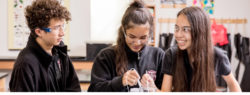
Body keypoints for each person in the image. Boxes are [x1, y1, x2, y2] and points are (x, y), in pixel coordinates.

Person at [144, 6, 241, 92]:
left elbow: (233, 84)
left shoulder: (217, 55)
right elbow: (165, 92)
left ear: (200, 31)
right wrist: (152, 87)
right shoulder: (171, 55)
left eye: (185, 29)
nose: (178, 34)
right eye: (176, 28)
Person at [88, 1, 164, 92]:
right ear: (124, 31)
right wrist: (120, 82)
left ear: (150, 34)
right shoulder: (105, 56)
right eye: (132, 36)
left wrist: (154, 89)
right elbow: (94, 90)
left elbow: (166, 91)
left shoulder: (158, 56)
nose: (137, 43)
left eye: (143, 37)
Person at [9, 0, 81, 92]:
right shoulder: (25, 64)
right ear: (39, 32)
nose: (62, 33)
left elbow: (73, 89)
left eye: (62, 26)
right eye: (56, 28)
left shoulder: (60, 52)